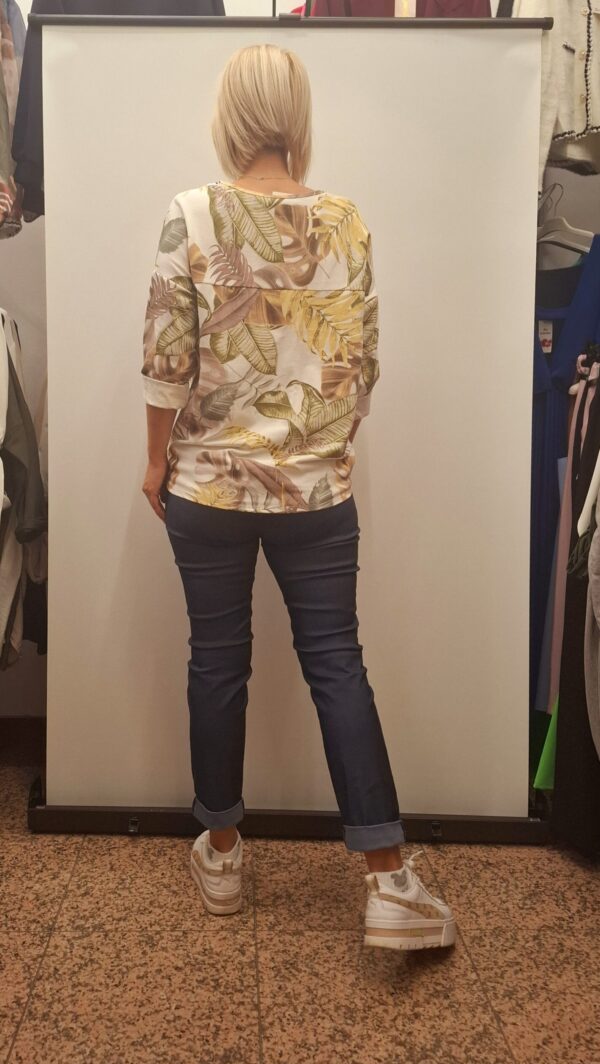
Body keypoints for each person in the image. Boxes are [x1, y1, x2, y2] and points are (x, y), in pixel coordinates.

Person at [141, 43, 456, 951]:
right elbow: (361, 362)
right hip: (316, 490)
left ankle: (223, 855)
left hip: (208, 486)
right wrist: (329, 446)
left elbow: (166, 355)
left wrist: (156, 463)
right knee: (337, 663)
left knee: (216, 663)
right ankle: (388, 880)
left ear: (230, 115)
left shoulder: (191, 213)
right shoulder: (345, 221)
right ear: (296, 115)